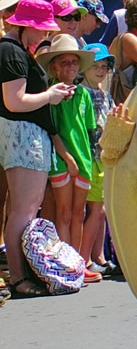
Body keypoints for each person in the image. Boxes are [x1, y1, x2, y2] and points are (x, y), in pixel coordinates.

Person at [0, 0, 76, 298]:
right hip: (23, 135)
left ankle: (23, 273)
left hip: (24, 134)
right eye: (42, 31)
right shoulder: (11, 51)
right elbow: (15, 102)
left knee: (25, 210)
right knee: (23, 211)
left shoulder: (14, 49)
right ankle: (18, 277)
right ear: (26, 26)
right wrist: (51, 95)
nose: (45, 36)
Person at [38, 34, 100, 281]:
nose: (71, 67)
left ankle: (78, 263)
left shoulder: (84, 95)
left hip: (83, 161)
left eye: (74, 62)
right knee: (63, 213)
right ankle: (64, 264)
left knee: (79, 214)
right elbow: (53, 131)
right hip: (60, 161)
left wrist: (84, 160)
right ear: (53, 66)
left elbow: (88, 131)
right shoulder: (51, 95)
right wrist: (68, 157)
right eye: (64, 62)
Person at [80, 43, 118, 276]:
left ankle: (99, 257)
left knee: (101, 209)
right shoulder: (85, 93)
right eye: (95, 66)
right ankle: (84, 259)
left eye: (104, 66)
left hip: (103, 157)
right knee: (95, 209)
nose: (101, 70)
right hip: (92, 158)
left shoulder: (104, 93)